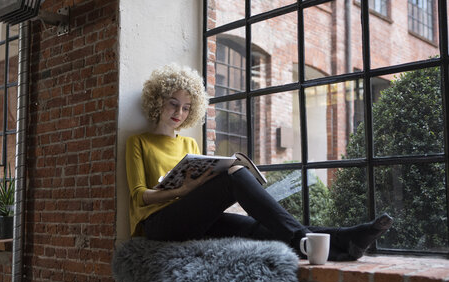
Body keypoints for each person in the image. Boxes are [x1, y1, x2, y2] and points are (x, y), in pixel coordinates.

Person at [125, 63, 393, 261]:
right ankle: (305, 239)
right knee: (233, 174)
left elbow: (198, 191)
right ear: (157, 101)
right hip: (158, 225)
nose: (179, 113)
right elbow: (138, 197)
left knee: (256, 228)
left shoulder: (189, 144)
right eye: (173, 104)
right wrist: (180, 191)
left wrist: (199, 185)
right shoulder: (138, 142)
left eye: (186, 107)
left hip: (191, 219)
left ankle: (347, 240)